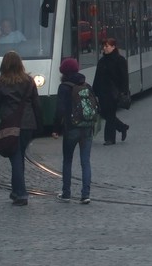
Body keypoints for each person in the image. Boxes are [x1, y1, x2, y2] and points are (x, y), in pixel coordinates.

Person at [0, 51, 42, 207]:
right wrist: (40, 125)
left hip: (10, 124)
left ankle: (21, 194)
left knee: (15, 158)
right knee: (19, 156)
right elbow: (37, 105)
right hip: (28, 124)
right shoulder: (29, 81)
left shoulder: (1, 82)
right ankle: (16, 191)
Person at [53, 57, 93, 203]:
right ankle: (86, 194)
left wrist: (56, 129)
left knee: (68, 160)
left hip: (71, 128)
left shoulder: (64, 87)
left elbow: (60, 110)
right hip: (87, 127)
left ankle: (66, 193)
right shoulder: (86, 85)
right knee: (85, 161)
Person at [92, 38, 130, 145]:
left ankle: (110, 138)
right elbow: (97, 77)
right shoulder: (102, 61)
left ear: (113, 47)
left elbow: (124, 77)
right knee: (104, 113)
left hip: (114, 93)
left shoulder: (120, 60)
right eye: (104, 46)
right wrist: (94, 91)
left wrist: (123, 91)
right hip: (102, 92)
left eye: (107, 46)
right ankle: (122, 127)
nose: (104, 48)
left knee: (110, 114)